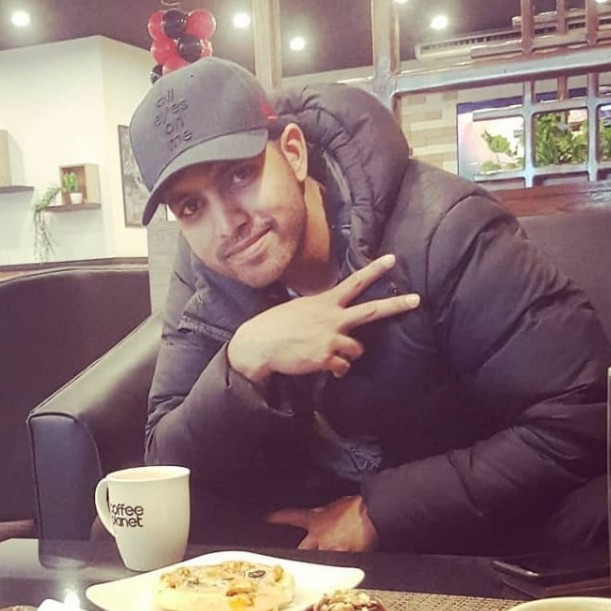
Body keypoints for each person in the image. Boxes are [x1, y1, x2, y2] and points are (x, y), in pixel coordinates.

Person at [128, 57, 609, 554]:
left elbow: (581, 417)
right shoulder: (207, 265)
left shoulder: (448, 231)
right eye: (190, 206)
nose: (227, 224)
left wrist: (379, 513)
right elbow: (166, 462)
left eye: (239, 175)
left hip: (462, 517)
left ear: (293, 152)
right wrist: (242, 360)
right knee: (132, 533)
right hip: (310, 516)